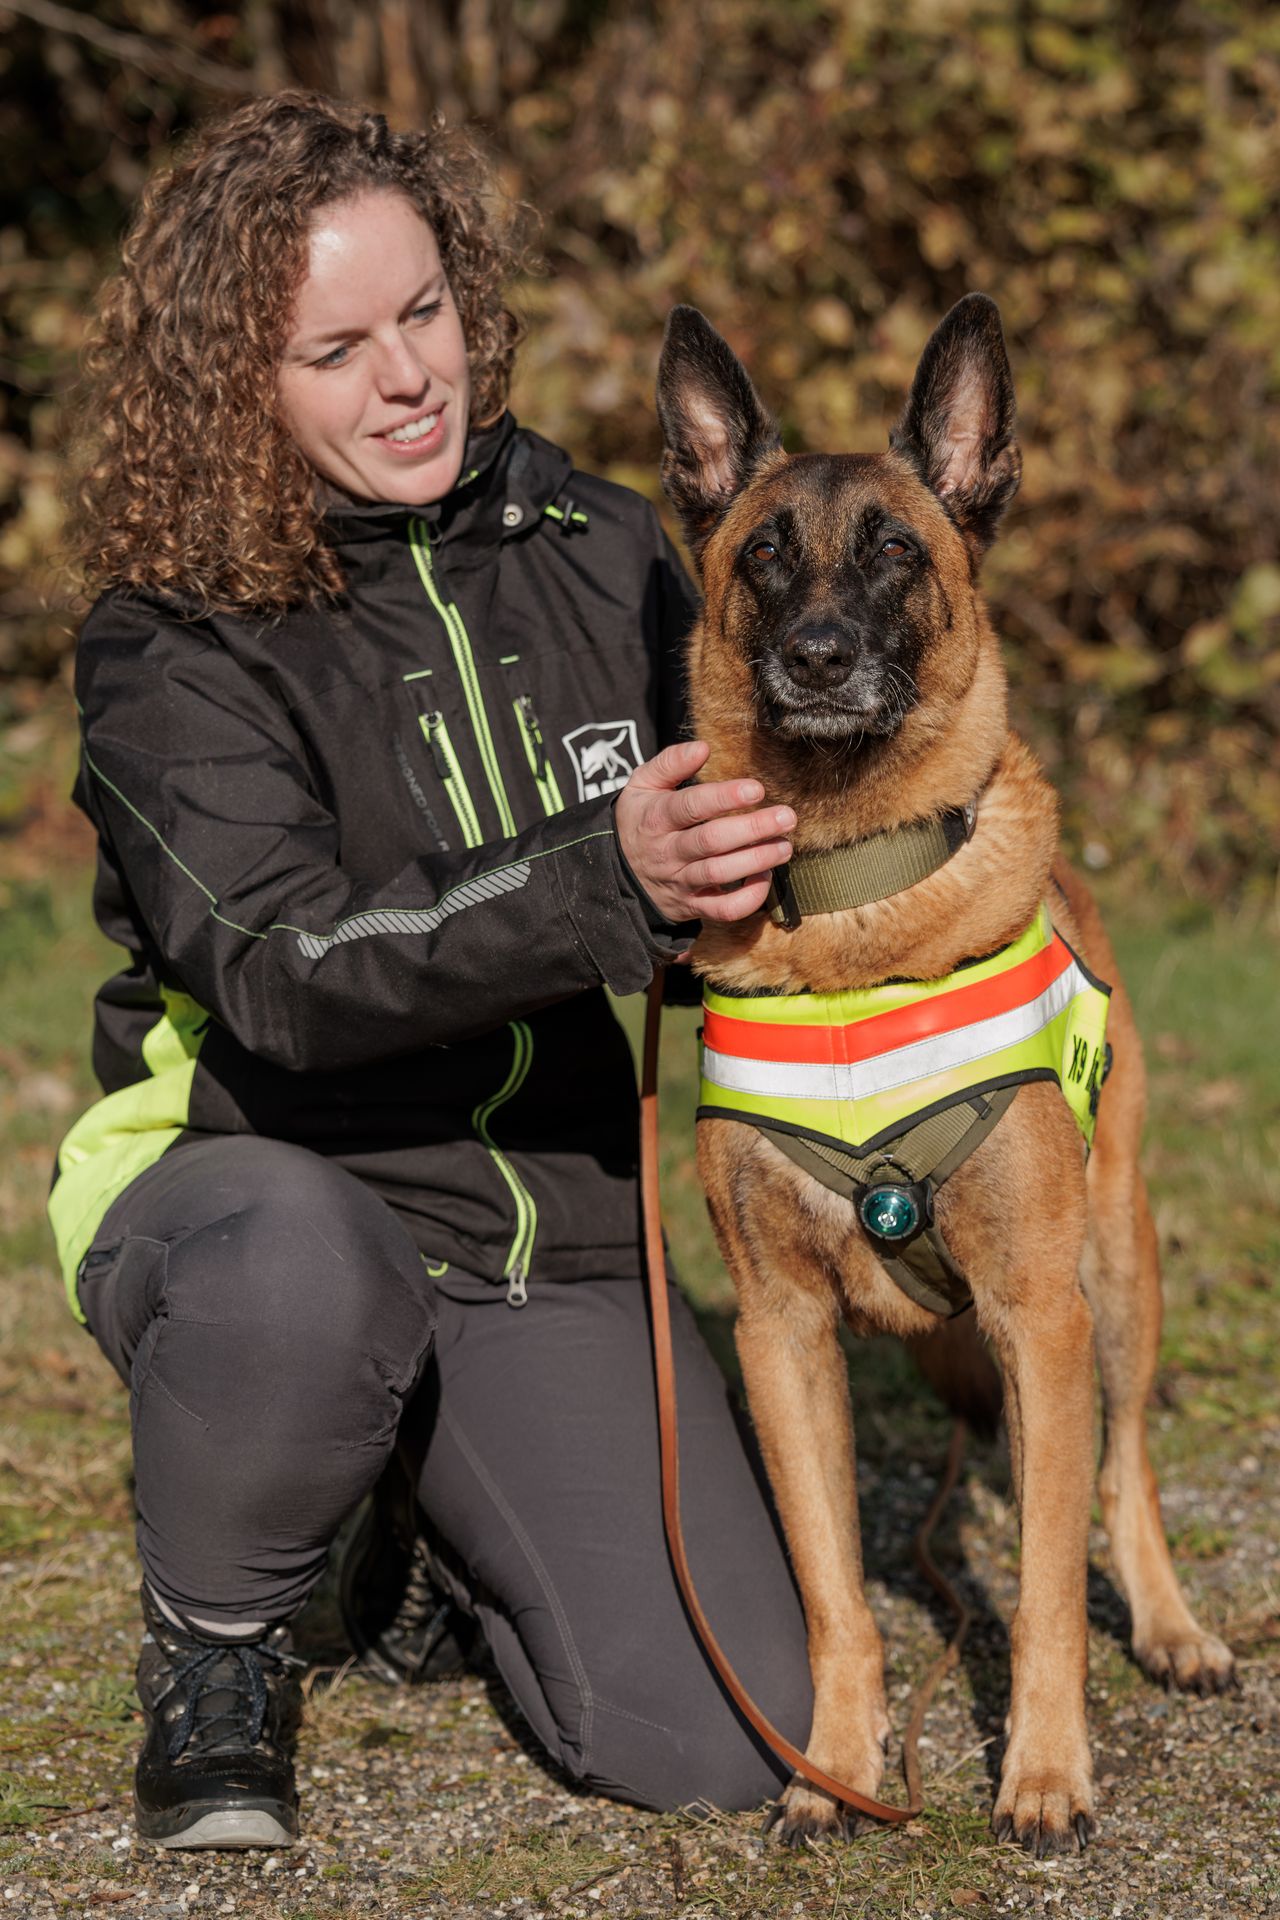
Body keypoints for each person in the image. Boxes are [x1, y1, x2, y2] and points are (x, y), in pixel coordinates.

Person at [52, 90, 811, 1851]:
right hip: (267, 1190)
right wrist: (601, 880)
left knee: (726, 1740)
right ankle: (226, 1636)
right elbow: (281, 971)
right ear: (240, 386)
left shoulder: (618, 554)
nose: (407, 376)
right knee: (307, 1283)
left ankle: (407, 1536)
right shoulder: (171, 637)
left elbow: (764, 852)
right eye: (333, 348)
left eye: (424, 313)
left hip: (554, 1230)